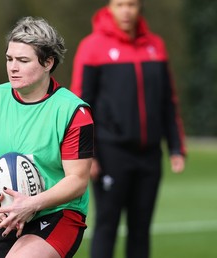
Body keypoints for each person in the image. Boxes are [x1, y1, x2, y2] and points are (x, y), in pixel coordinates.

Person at [0, 16, 94, 258]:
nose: (12, 67)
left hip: (59, 213)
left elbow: (77, 180)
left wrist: (32, 204)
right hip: (9, 212)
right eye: (9, 59)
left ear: (48, 62)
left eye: (23, 60)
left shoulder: (72, 111)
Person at [70, 0, 186, 258]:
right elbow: (81, 107)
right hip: (111, 153)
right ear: (110, 7)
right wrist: (89, 154)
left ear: (139, 8)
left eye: (132, 4)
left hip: (149, 155)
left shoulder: (156, 46)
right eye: (120, 4)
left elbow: (168, 101)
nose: (126, 10)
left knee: (141, 230)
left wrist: (176, 146)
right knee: (107, 226)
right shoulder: (92, 47)